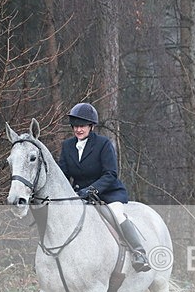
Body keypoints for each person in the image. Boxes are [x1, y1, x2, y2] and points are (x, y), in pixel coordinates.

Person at [57, 102, 150, 272]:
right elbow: (63, 175)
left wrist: (91, 190)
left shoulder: (103, 144)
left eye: (82, 126)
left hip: (108, 194)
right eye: (75, 126)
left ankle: (139, 252)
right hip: (80, 196)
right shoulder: (67, 146)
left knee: (117, 214)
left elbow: (110, 174)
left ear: (91, 126)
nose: (78, 129)